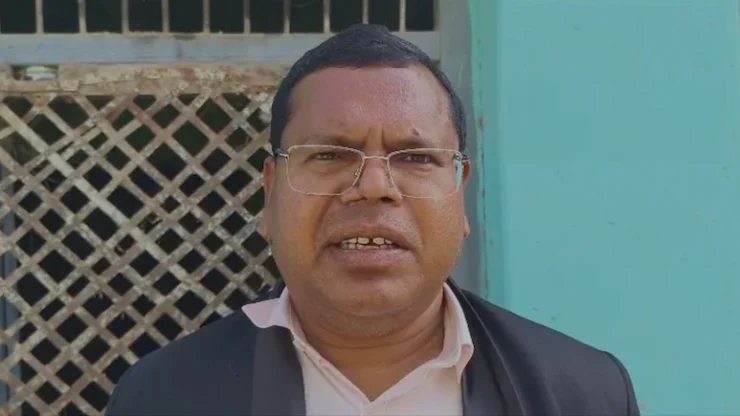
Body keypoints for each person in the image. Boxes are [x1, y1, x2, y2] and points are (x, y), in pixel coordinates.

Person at [105, 24, 640, 416]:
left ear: (460, 194)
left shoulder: (581, 393)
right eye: (330, 155)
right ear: (270, 195)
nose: (375, 187)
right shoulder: (162, 397)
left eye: (415, 157)